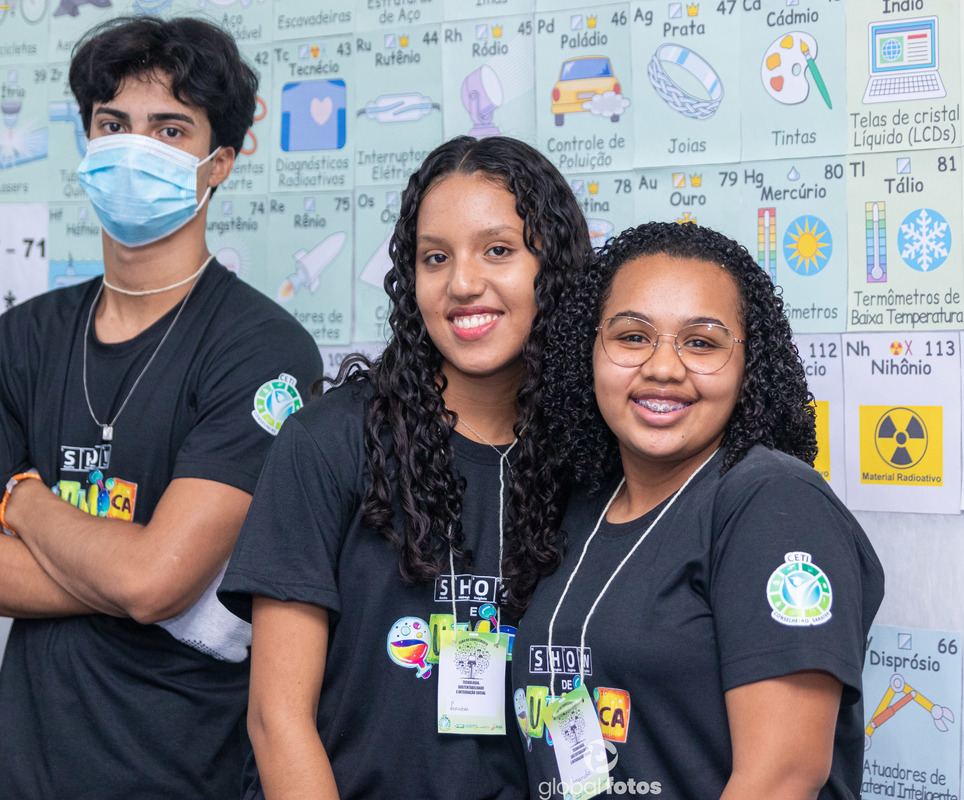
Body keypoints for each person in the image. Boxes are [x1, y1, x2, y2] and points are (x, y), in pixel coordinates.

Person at [0, 16, 322, 798]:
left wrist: (22, 502)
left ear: (220, 163)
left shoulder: (263, 350)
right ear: (86, 138)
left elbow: (155, 582)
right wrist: (140, 575)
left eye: (169, 129)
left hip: (179, 773)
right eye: (113, 125)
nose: (133, 149)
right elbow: (149, 581)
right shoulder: (23, 338)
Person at [217, 135, 592, 799]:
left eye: (498, 250)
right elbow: (277, 720)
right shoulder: (329, 442)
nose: (463, 284)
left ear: (555, 266)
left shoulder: (594, 455)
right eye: (435, 258)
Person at [513, 221, 885, 800]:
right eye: (632, 337)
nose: (663, 367)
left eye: (702, 343)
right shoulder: (582, 502)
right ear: (589, 350)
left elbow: (781, 778)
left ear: (749, 365)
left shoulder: (775, 504)